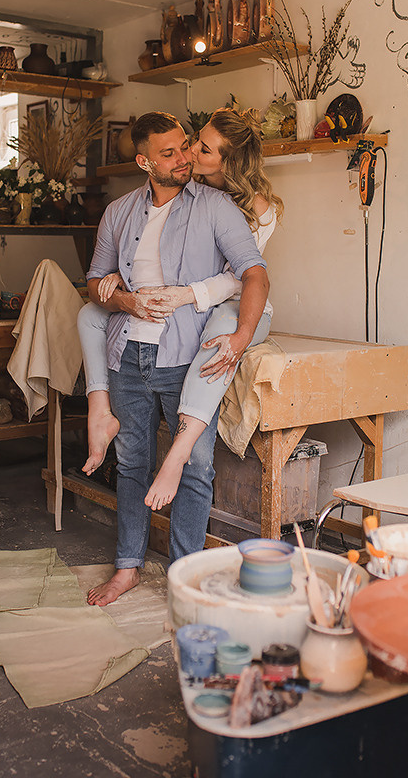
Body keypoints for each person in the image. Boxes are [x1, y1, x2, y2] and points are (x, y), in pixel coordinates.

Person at [82, 111, 268, 606]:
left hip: (186, 355)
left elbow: (254, 272)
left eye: (186, 146)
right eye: (169, 153)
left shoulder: (216, 206)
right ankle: (127, 568)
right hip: (127, 353)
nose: (184, 158)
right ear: (144, 162)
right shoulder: (118, 212)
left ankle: (183, 578)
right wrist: (125, 301)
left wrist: (242, 334)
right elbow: (95, 280)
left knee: (196, 468)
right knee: (131, 464)